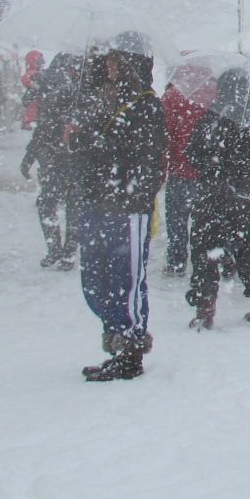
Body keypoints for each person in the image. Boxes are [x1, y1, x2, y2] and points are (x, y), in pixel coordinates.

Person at [66, 36, 167, 381]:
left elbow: (137, 156)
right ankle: (115, 339)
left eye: (115, 60)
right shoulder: (102, 100)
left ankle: (130, 347)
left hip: (127, 206)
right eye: (106, 60)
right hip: (97, 201)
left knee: (126, 280)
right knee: (95, 280)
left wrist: (89, 140)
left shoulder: (146, 104)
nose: (108, 66)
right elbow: (99, 152)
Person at [183, 69, 250, 330]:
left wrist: (214, 167)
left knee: (205, 248)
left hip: (212, 195)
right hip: (245, 197)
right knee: (248, 244)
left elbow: (192, 154)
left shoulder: (213, 115)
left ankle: (205, 308)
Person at [20, 52, 82, 269]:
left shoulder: (56, 95)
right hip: (70, 160)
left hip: (57, 159)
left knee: (49, 204)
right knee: (70, 207)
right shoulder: (85, 97)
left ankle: (56, 249)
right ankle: (66, 252)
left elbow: (43, 130)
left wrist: (29, 157)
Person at [161, 80, 207, 278]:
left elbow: (164, 134)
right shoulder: (216, 93)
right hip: (207, 171)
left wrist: (162, 166)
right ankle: (206, 259)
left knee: (177, 219)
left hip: (180, 169)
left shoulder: (172, 96)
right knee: (205, 220)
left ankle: (177, 260)